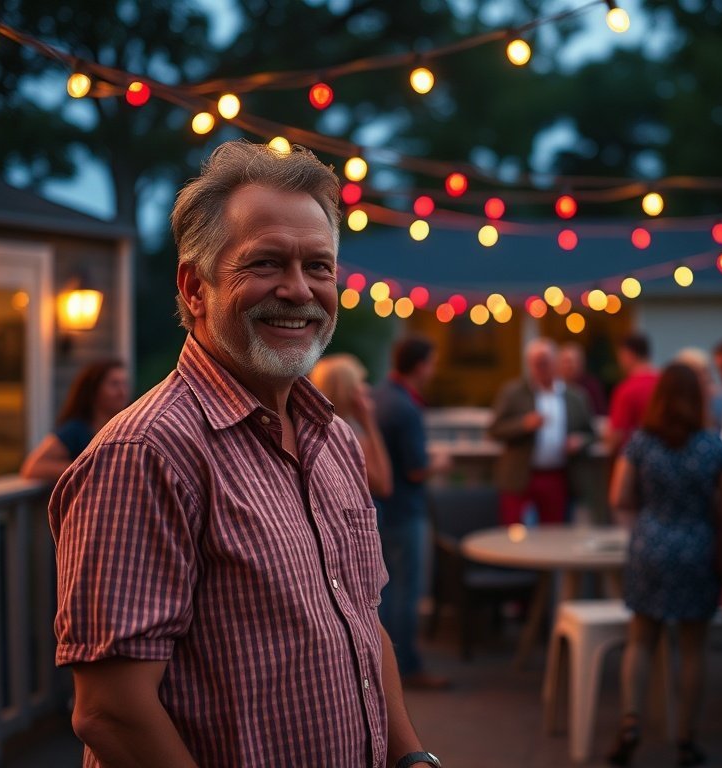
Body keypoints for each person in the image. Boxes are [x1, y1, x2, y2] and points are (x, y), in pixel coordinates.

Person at [49, 140, 441, 768]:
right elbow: (111, 712)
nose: (298, 290)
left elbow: (364, 626)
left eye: (319, 267)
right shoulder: (144, 453)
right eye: (265, 264)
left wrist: (412, 759)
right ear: (194, 287)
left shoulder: (334, 437)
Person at [606, 363, 722, 767]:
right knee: (694, 648)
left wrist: (649, 513)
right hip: (697, 546)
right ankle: (686, 738)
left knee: (641, 639)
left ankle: (630, 722)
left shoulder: (642, 443)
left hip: (650, 544)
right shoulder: (713, 446)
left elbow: (620, 497)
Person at [372, 336, 451, 691]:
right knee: (407, 589)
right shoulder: (405, 407)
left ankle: (382, 664)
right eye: (431, 362)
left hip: (382, 508)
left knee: (386, 590)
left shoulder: (379, 397)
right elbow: (416, 469)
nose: (433, 370)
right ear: (420, 366)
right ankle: (407, 667)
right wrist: (440, 462)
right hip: (405, 508)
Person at [489, 337, 594, 526]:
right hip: (520, 477)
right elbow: (494, 430)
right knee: (514, 531)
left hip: (557, 476)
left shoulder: (575, 396)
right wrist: (523, 425)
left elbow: (591, 434)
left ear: (555, 362)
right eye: (536, 364)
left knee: (553, 533)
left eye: (544, 363)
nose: (540, 369)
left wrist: (579, 441)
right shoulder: (513, 392)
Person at [20, 359, 129, 481]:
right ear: (93, 390)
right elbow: (32, 467)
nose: (122, 392)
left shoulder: (124, 429)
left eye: (124, 384)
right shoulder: (77, 430)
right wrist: (86, 468)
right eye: (114, 384)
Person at [310, 353, 392, 498]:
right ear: (346, 390)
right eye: (360, 382)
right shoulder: (342, 434)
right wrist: (369, 423)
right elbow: (383, 484)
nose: (367, 388)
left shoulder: (321, 427)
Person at [605, 333, 659, 456]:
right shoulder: (664, 383)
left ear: (627, 354)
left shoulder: (626, 389)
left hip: (633, 463)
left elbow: (617, 435)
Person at [558, 341, 607, 415]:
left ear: (581, 363)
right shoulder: (555, 386)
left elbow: (600, 414)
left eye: (572, 362)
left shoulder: (592, 386)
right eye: (565, 362)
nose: (568, 366)